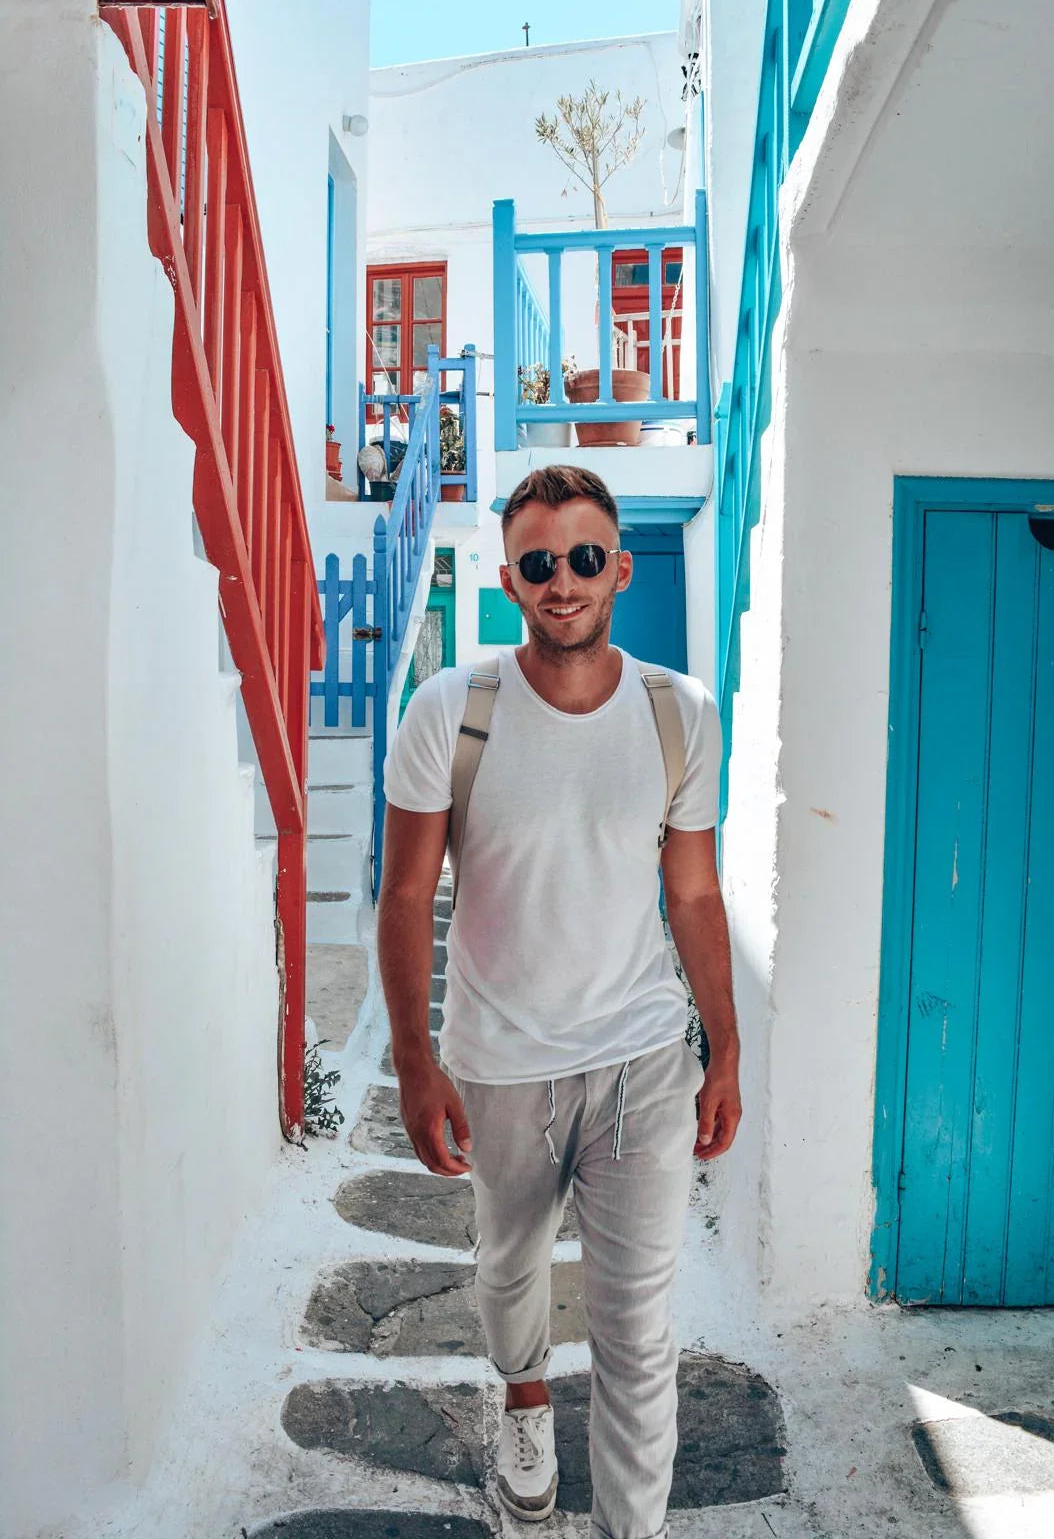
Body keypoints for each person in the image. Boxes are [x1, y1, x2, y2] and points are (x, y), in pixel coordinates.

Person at [378, 465, 741, 1539]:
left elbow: (695, 891)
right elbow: (404, 896)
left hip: (639, 1062)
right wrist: (414, 1064)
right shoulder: (453, 713)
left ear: (618, 567)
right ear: (510, 581)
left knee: (637, 1331)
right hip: (499, 1061)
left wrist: (724, 1052)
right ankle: (522, 1399)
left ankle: (634, 1529)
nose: (564, 581)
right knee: (508, 1270)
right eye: (539, 563)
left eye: (585, 557)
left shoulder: (679, 715)